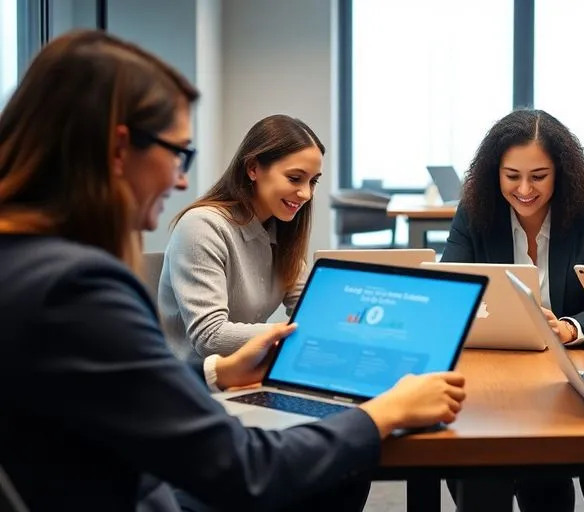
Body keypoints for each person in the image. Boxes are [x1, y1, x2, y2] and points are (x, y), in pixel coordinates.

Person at [0, 30, 467, 511]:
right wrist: (383, 414)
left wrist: (220, 372)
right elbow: (244, 470)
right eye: (179, 153)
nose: (182, 178)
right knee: (337, 465)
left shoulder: (24, 265)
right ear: (120, 149)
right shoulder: (76, 289)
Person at [441, 109, 584, 511]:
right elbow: (450, 295)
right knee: (476, 472)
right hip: (488, 372)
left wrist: (569, 328)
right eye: (512, 176)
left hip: (560, 377)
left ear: (561, 172)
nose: (525, 188)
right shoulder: (474, 213)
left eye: (538, 176)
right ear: (495, 172)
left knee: (546, 485)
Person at [160, 114, 320, 362]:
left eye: (313, 181)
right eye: (295, 178)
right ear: (253, 168)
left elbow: (310, 310)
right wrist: (299, 331)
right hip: (191, 382)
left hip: (244, 375)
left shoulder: (280, 232)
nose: (306, 193)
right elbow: (210, 337)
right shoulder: (201, 226)